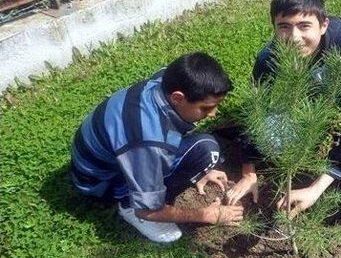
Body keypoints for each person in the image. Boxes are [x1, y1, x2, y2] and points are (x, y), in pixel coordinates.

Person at [225, 0, 341, 216]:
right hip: (305, 101)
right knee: (272, 137)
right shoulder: (269, 57)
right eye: (284, 27)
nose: (294, 37)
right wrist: (249, 171)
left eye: (304, 26)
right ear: (274, 28)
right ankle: (315, 139)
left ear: (323, 25)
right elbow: (256, 107)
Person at [70, 52, 245, 243]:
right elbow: (148, 211)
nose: (213, 114)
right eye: (205, 108)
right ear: (178, 98)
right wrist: (207, 215)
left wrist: (201, 170)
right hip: (101, 185)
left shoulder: (164, 80)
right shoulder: (147, 141)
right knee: (206, 149)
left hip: (105, 160)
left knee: (202, 152)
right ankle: (128, 205)